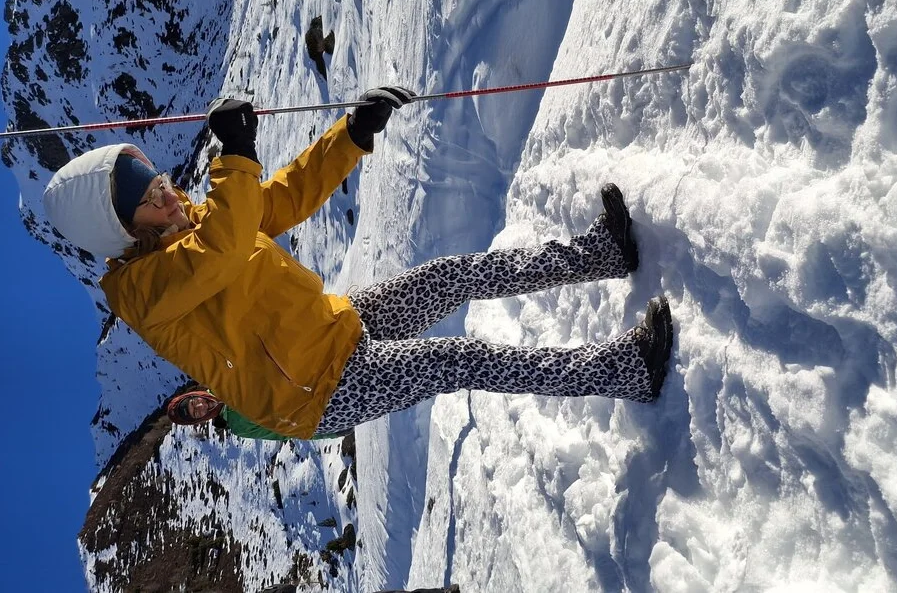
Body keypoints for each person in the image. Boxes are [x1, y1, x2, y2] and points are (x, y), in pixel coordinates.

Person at [42, 87, 674, 440]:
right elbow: (226, 252)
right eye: (149, 199)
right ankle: (623, 373)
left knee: (449, 276)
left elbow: (283, 197)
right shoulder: (142, 293)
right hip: (314, 394)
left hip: (336, 325)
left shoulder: (205, 222)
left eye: (156, 179)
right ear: (122, 234)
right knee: (457, 358)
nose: (168, 193)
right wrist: (233, 154)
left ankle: (599, 255)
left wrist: (351, 134)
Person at [166, 389, 348, 441]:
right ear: (200, 419)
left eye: (193, 402)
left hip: (317, 376)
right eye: (196, 412)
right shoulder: (239, 426)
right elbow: (283, 432)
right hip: (323, 413)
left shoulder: (222, 380)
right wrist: (331, 431)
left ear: (193, 395)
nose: (200, 405)